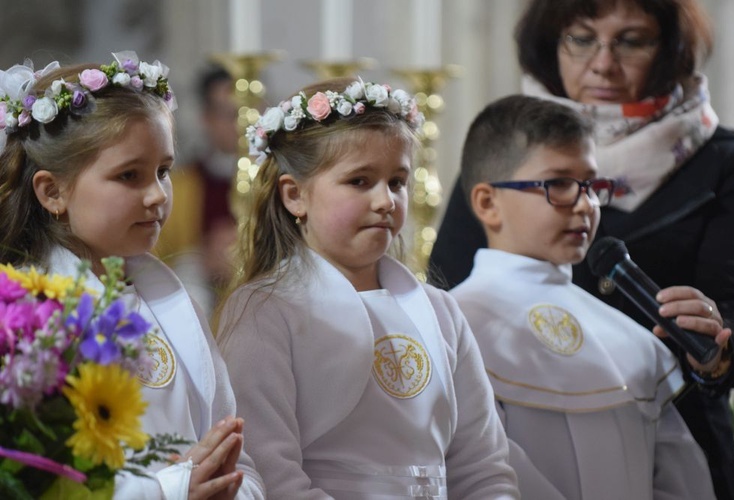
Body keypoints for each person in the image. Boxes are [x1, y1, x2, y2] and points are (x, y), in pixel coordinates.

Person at [429, 1, 734, 497]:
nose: (602, 63)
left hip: (678, 415)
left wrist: (719, 353)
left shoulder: (724, 163)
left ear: (668, 49)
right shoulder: (507, 149)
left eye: (631, 40)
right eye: (581, 38)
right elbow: (446, 284)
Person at [216, 77, 520, 498]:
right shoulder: (266, 310)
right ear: (294, 196)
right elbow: (272, 474)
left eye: (397, 182)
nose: (386, 201)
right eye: (359, 181)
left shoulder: (441, 312)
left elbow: (482, 466)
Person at [0, 51, 265, 498]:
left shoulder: (177, 301)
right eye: (129, 175)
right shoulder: (24, 315)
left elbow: (241, 457)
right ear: (52, 191)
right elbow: (36, 480)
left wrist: (230, 488)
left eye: (164, 171)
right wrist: (173, 489)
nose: (157, 196)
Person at [451, 94, 715, 499]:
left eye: (592, 185)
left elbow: (680, 478)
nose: (586, 205)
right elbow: (478, 475)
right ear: (488, 203)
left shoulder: (631, 338)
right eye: (558, 184)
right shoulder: (452, 328)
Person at [156, 63, 239, 318]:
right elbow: (151, 260)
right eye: (232, 114)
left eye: (254, 109)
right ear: (206, 118)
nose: (246, 122)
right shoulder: (180, 187)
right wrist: (200, 258)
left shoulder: (281, 183)